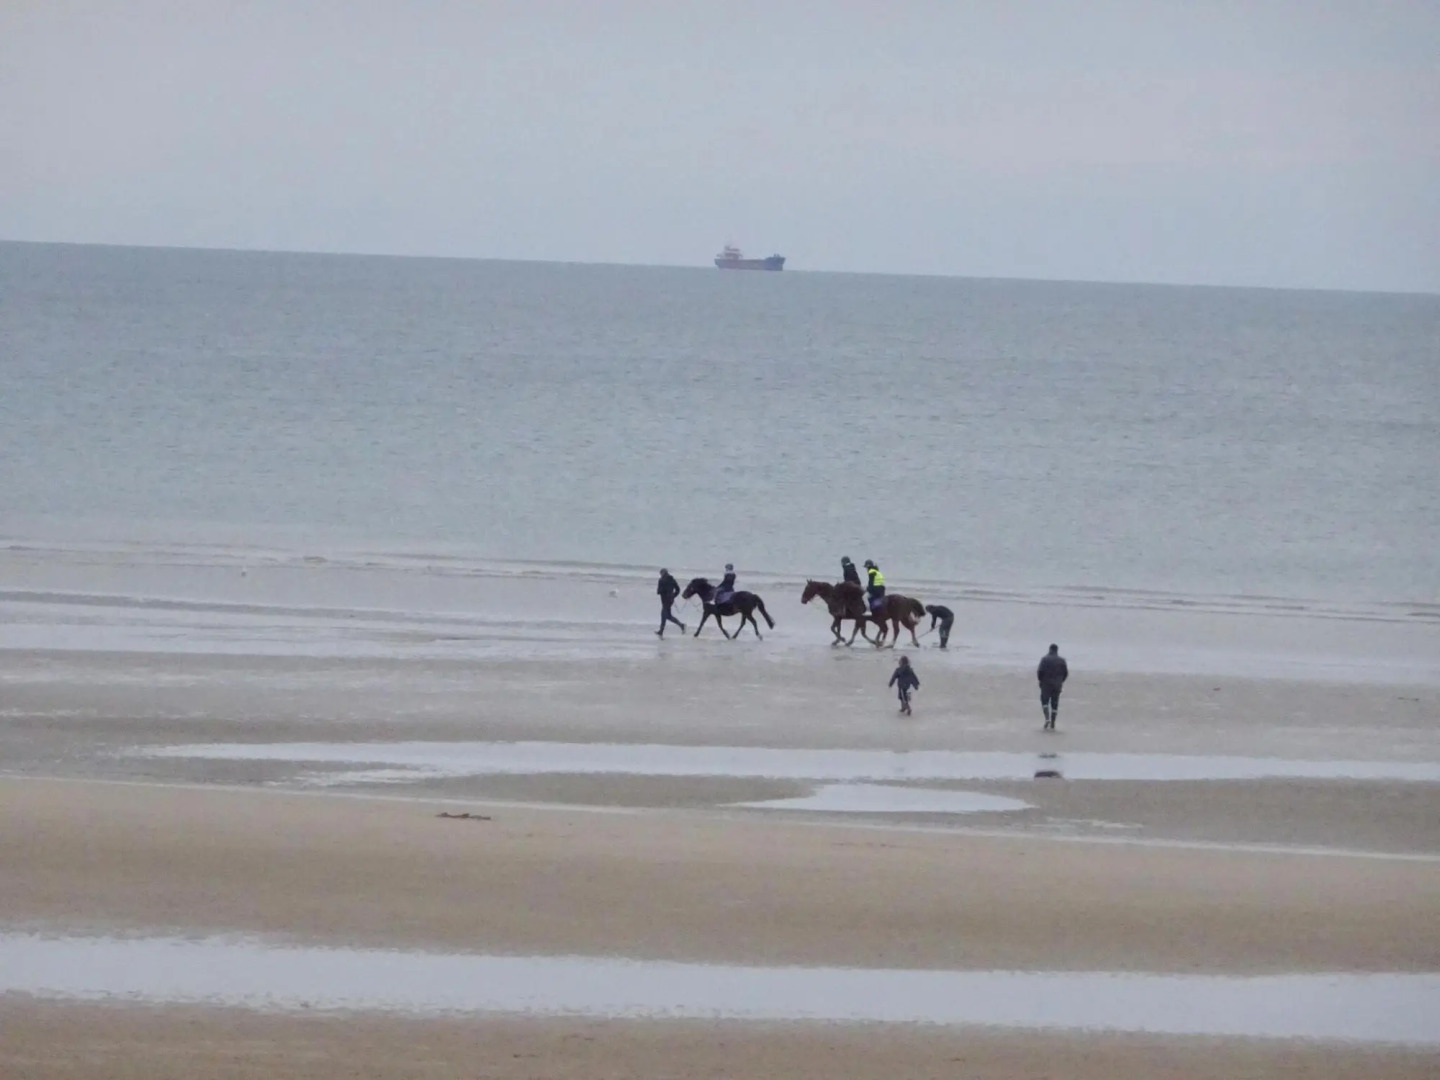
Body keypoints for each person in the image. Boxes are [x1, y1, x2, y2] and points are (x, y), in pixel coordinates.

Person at [1037, 644, 1069, 730]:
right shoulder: (1062, 660)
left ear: (1049, 649)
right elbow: (1066, 673)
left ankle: (1047, 718)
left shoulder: (1044, 659)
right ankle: (1053, 722)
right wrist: (1061, 681)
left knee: (1044, 701)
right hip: (1057, 684)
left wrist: (1040, 680)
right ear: (1057, 650)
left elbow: (1040, 672)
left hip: (1046, 683)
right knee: (1055, 703)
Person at [655, 568, 685, 637]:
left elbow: (658, 592)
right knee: (668, 616)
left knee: (663, 615)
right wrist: (673, 595)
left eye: (661, 573)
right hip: (670, 600)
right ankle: (681, 625)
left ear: (663, 573)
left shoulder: (661, 580)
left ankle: (661, 631)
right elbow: (678, 589)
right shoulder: (672, 580)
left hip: (665, 600)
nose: (661, 574)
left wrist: (663, 590)